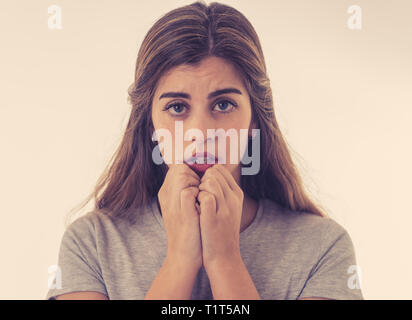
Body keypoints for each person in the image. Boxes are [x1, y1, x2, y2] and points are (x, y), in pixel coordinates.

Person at [46, 1, 364, 300]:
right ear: (150, 127)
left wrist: (224, 259)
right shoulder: (91, 244)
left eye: (223, 104)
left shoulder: (323, 247)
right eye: (176, 107)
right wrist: (180, 260)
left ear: (256, 121)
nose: (200, 133)